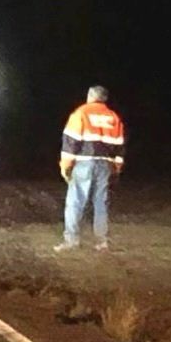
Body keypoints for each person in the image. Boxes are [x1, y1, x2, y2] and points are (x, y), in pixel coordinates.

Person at [54, 84, 125, 252]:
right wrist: (116, 167)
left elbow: (71, 142)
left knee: (75, 202)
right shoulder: (113, 117)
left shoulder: (81, 113)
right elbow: (119, 146)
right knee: (101, 203)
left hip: (84, 163)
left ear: (89, 96)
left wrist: (65, 166)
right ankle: (102, 242)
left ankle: (71, 241)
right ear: (104, 99)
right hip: (105, 164)